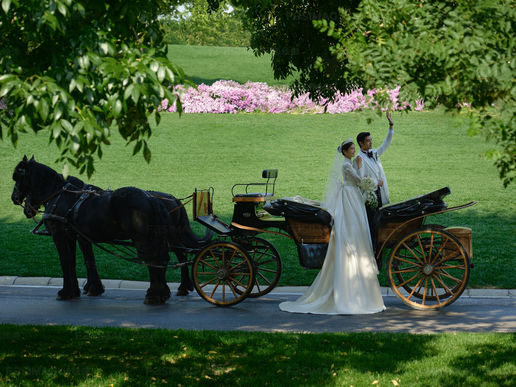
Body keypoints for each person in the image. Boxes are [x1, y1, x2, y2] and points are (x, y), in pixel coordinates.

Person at [279, 139, 385, 315]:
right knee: (352, 229)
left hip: (353, 197)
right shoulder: (346, 166)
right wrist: (375, 183)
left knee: (357, 228)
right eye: (351, 149)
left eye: (353, 149)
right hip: (350, 197)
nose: (353, 151)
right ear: (344, 151)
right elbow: (359, 181)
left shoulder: (350, 163)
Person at [353, 112, 394, 208]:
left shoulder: (374, 153)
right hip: (369, 195)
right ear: (361, 143)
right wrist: (376, 182)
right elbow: (360, 180)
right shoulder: (358, 159)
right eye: (368, 141)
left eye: (371, 140)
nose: (371, 142)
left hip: (381, 191)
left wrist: (391, 125)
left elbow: (386, 143)